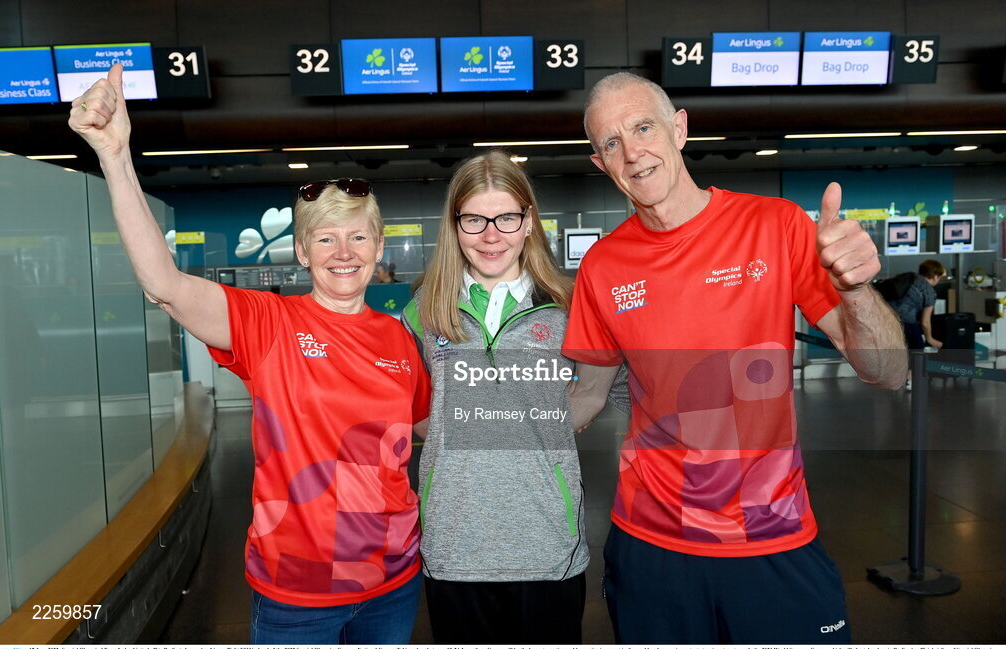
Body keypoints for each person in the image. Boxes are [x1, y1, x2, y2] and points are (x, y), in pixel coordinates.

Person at [69, 64, 431, 645]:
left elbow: (420, 432)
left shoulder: (399, 338)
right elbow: (164, 282)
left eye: (359, 236)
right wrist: (116, 156)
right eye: (325, 238)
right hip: (297, 593)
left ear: (379, 247)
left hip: (394, 580)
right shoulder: (268, 322)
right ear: (303, 253)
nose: (344, 252)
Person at [563, 72, 907, 644]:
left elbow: (888, 372)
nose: (632, 152)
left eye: (643, 127)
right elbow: (587, 395)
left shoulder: (775, 225)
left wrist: (854, 290)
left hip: (771, 532)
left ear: (680, 128)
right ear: (600, 163)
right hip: (651, 542)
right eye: (611, 143)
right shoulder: (603, 265)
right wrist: (488, 434)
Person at [401, 150, 614, 643]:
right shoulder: (422, 314)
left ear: (528, 221)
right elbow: (413, 411)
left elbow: (599, 391)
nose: (491, 234)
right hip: (454, 545)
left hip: (547, 546)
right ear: (454, 225)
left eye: (506, 217)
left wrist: (546, 425)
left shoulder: (568, 306)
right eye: (474, 219)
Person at [889, 260, 946, 352]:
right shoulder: (929, 291)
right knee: (917, 348)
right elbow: (925, 322)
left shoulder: (908, 277)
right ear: (935, 277)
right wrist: (930, 339)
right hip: (905, 321)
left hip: (885, 317)